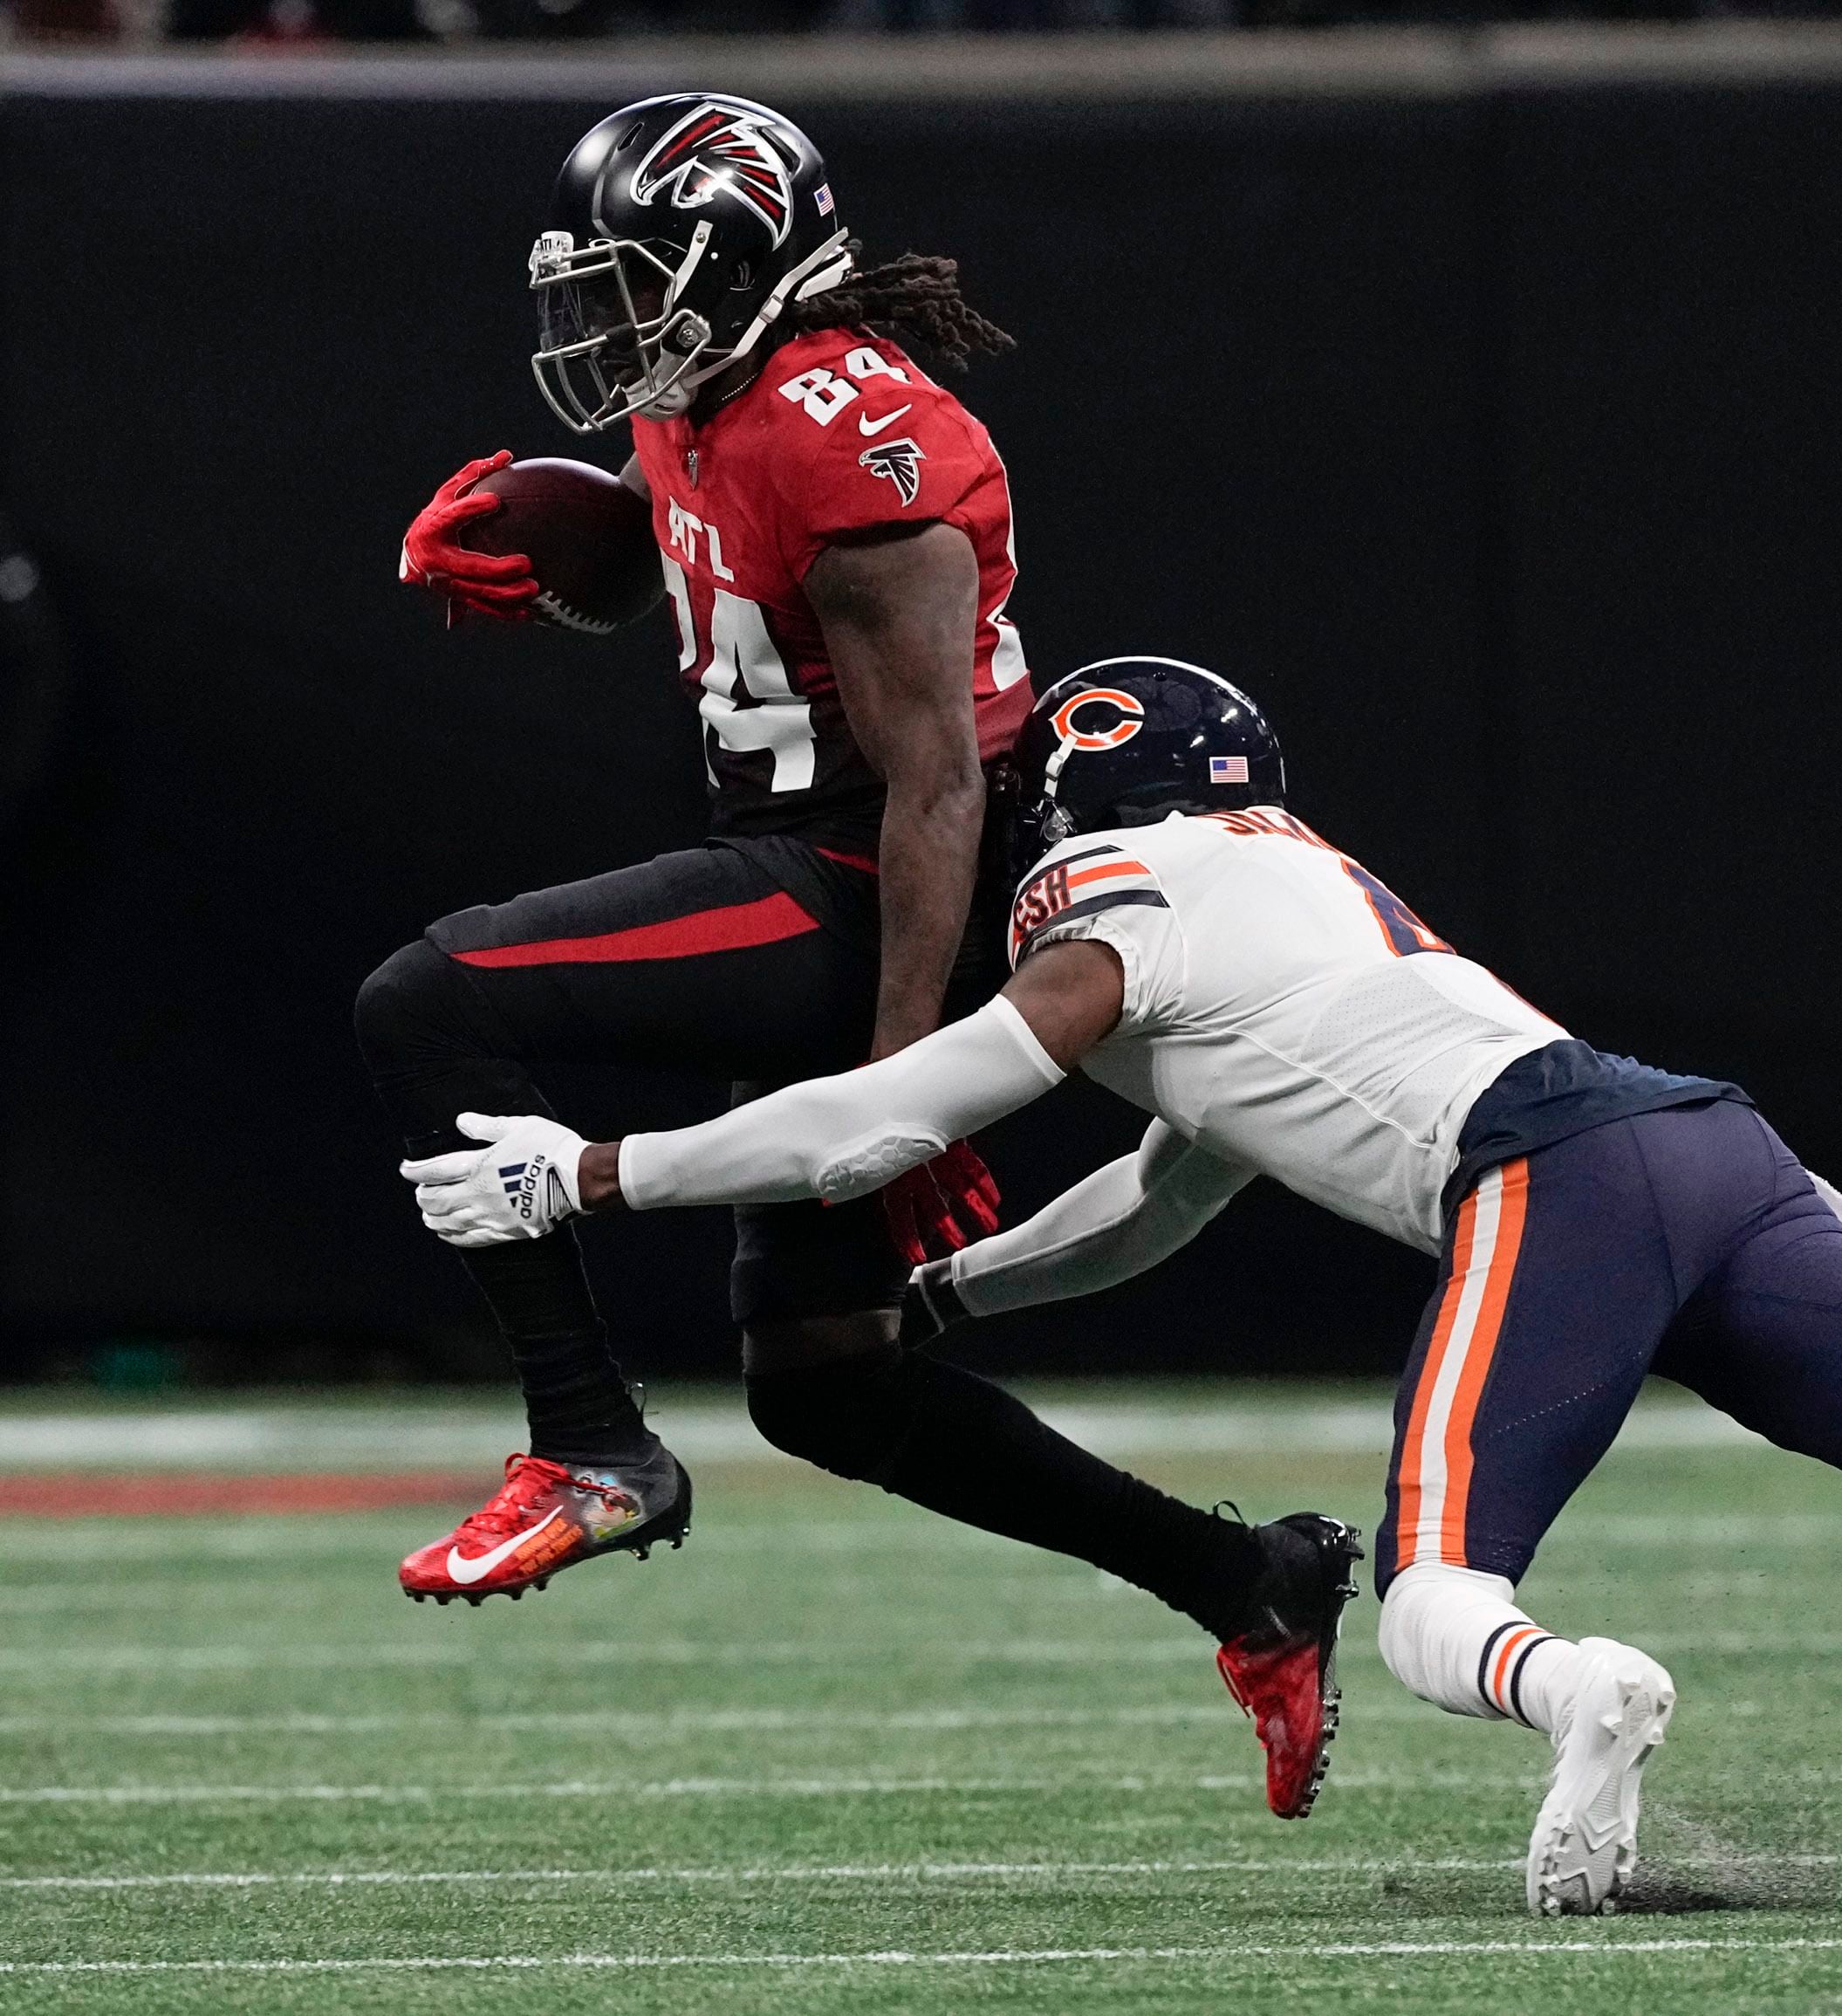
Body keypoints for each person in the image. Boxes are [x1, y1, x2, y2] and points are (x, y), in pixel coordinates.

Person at [402, 655, 1842, 1917]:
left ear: (1075, 793)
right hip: (1692, 1130)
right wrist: (954, 1318)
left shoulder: (1110, 912)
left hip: (1557, 1174)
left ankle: (1576, 1693)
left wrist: (596, 1169)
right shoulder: (1300, 885)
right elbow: (1167, 1197)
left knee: (1436, 1583)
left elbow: (873, 1127)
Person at [366, 95, 1356, 1816]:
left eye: (631, 285)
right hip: (804, 844)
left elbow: (936, 780)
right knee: (827, 1386)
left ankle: (589, 1444)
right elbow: (705, 576)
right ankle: (1250, 1584)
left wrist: (906, 1093)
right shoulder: (712, 388)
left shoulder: (860, 428)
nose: (603, 330)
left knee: (430, 999)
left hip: (871, 873)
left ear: (737, 264)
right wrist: (564, 537)